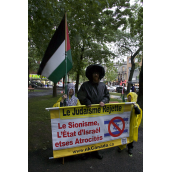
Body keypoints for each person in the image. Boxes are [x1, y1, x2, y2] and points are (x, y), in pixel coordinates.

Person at [77, 64, 110, 160]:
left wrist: (104, 101)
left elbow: (107, 96)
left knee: (98, 133)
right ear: (91, 75)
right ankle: (86, 151)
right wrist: (86, 102)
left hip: (100, 114)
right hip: (88, 114)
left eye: (97, 73)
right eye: (94, 73)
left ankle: (96, 151)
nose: (96, 75)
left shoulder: (103, 86)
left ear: (99, 75)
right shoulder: (85, 85)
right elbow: (80, 95)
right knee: (88, 133)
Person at [118, 92, 142, 156]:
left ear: (133, 97)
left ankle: (130, 148)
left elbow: (138, 112)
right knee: (123, 135)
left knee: (130, 137)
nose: (129, 97)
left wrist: (135, 107)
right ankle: (121, 146)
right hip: (125, 124)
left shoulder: (136, 105)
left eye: (130, 96)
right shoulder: (126, 104)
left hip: (132, 125)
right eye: (128, 96)